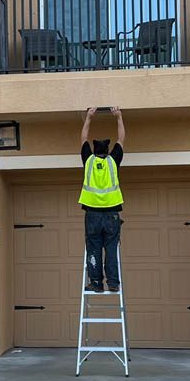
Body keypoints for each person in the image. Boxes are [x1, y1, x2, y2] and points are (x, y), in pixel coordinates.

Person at [78, 106, 125, 293]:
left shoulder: (88, 161)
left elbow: (83, 139)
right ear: (108, 150)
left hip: (92, 214)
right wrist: (119, 117)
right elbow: (121, 139)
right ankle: (113, 283)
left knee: (94, 248)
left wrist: (89, 117)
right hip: (112, 213)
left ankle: (96, 283)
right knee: (111, 249)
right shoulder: (113, 161)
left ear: (94, 150)